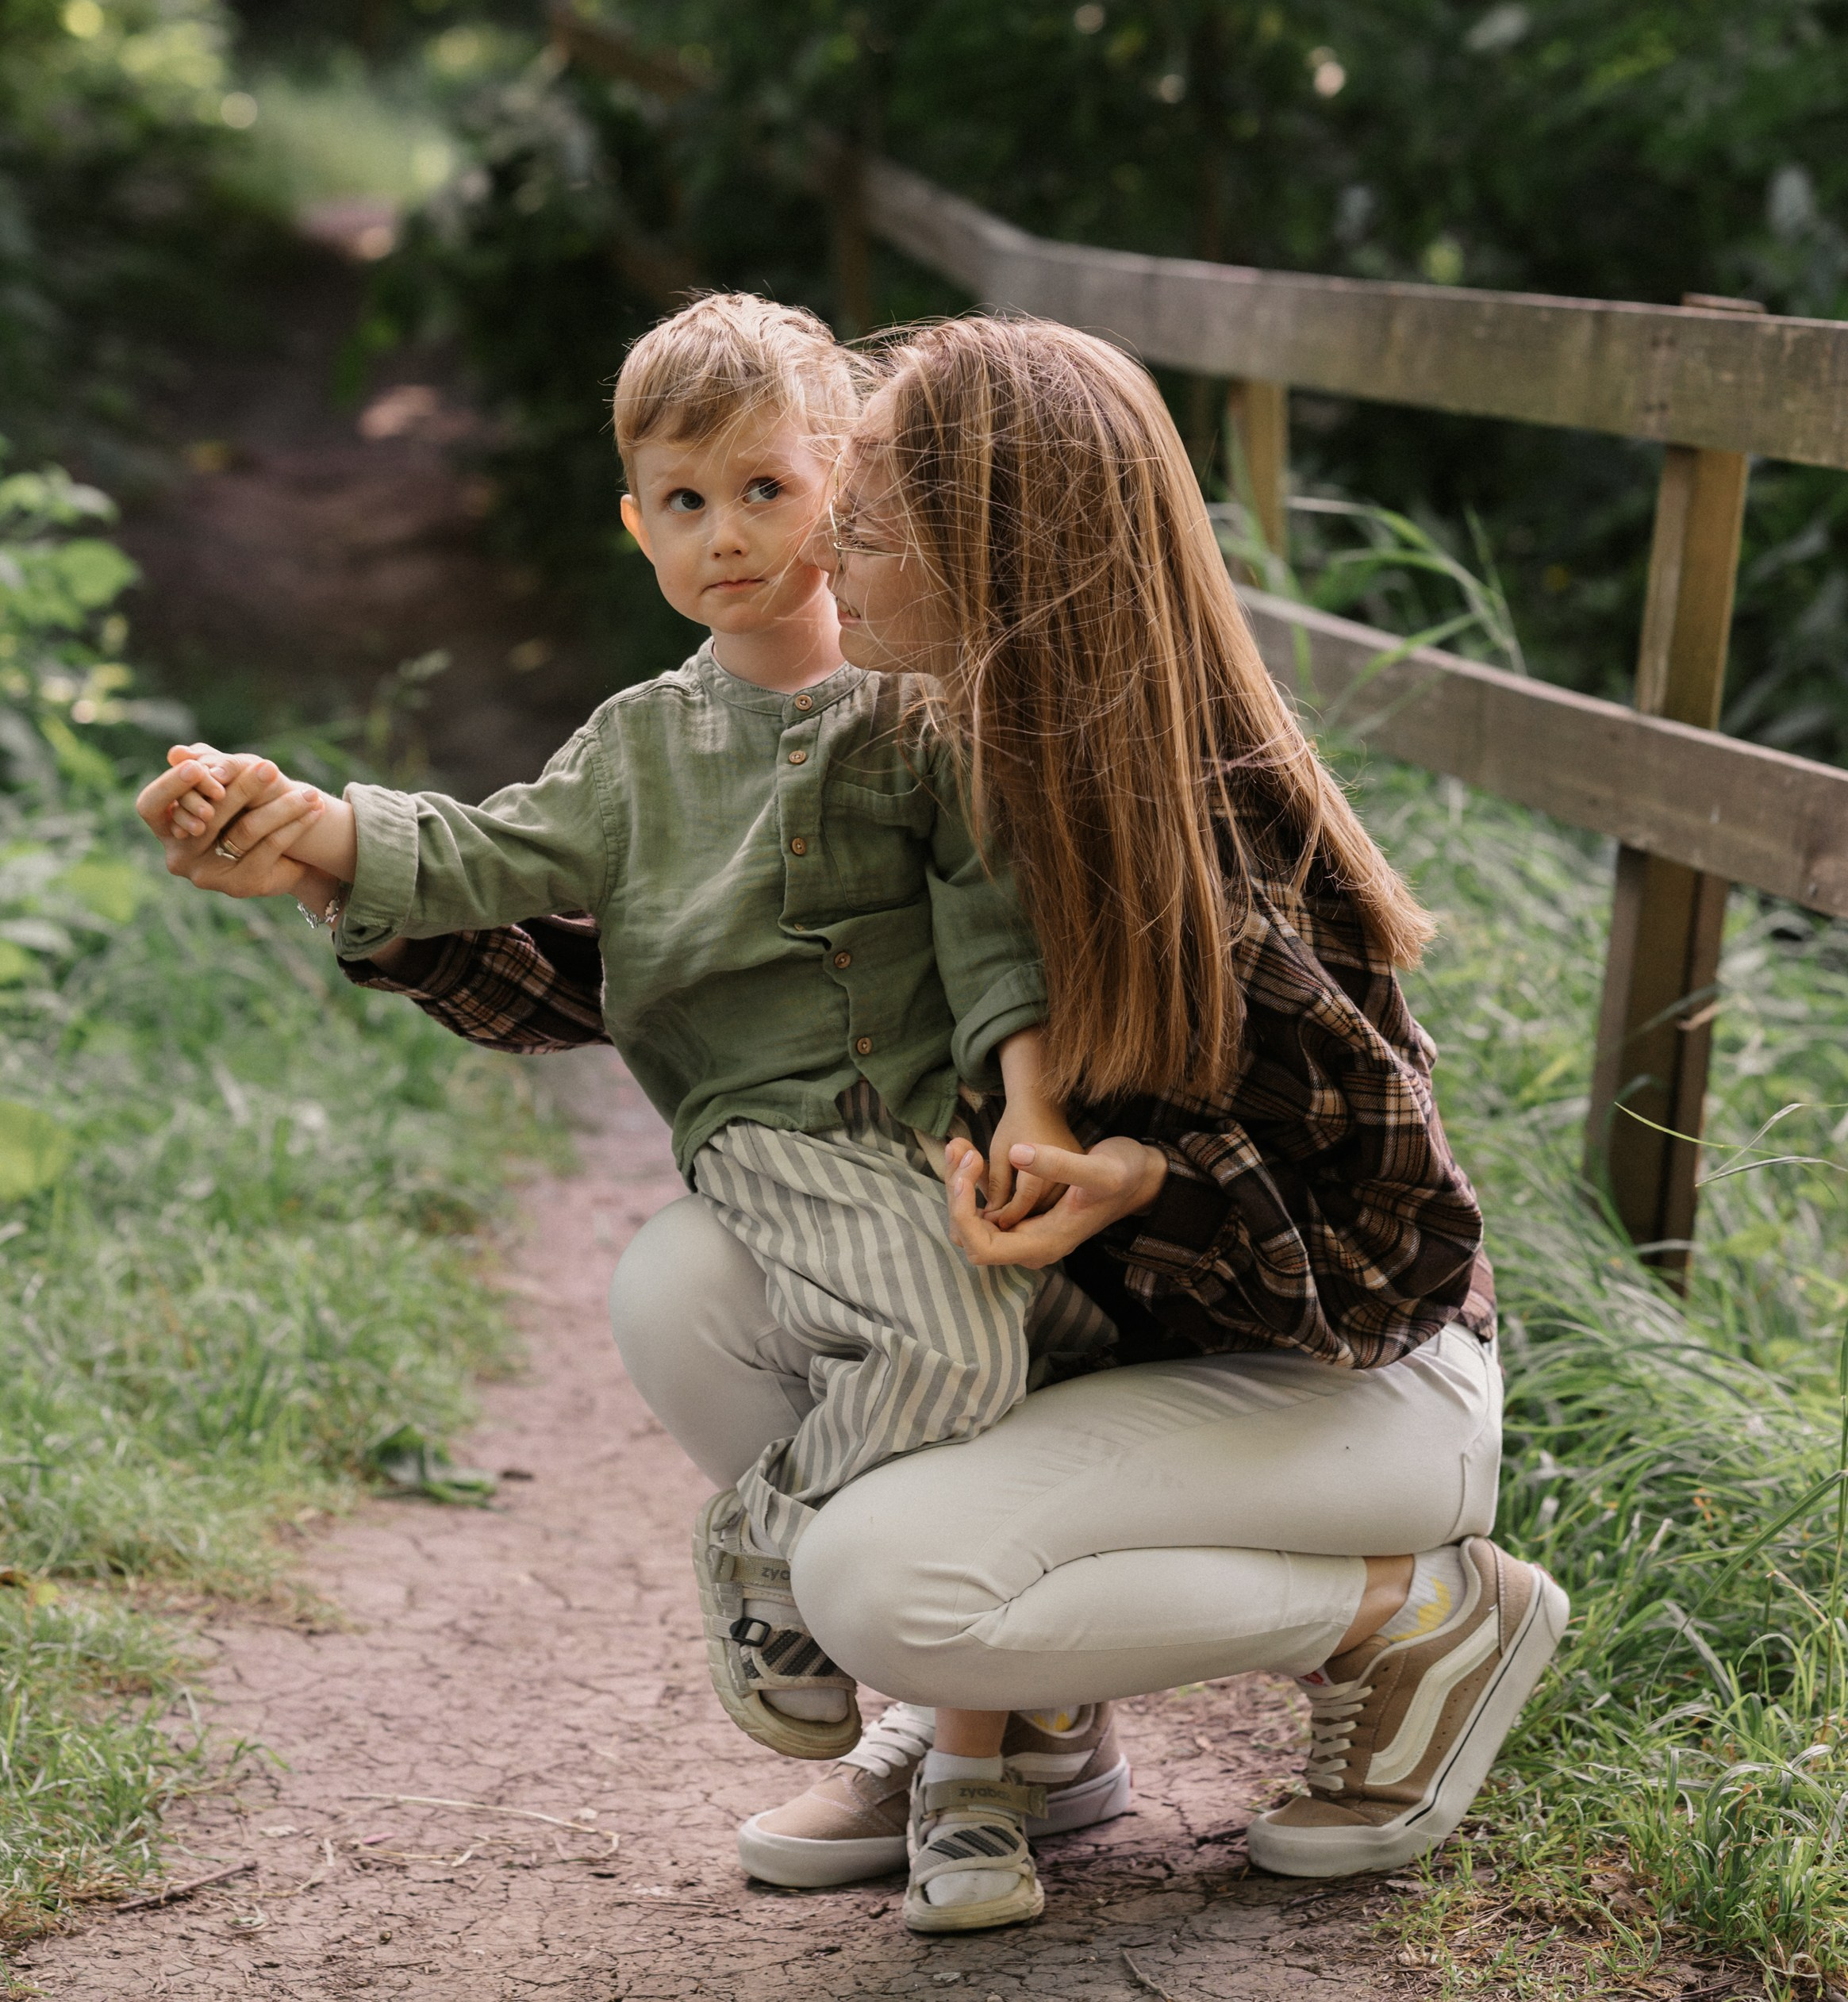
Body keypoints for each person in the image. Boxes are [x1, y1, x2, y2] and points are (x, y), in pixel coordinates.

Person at [248, 312, 1569, 1931]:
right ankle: (1026, 1729)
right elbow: (657, 956)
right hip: (1148, 1348)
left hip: (1352, 1388)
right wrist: (332, 853)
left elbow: (1396, 1256)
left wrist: (1141, 1182)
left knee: (874, 1575)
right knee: (689, 1281)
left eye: (863, 520)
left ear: (998, 558)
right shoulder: (929, 747)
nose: (817, 550)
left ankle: (1414, 1609)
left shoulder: (1193, 822)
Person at [135, 293, 1129, 1934]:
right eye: (683, 501)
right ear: (633, 524)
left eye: (766, 489)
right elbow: (474, 857)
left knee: (1022, 1363)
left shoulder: (924, 712)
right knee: (955, 1353)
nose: (724, 535)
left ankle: (979, 1764)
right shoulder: (638, 750)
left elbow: (990, 924)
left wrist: (1030, 1104)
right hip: (777, 1135)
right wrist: (310, 823)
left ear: (848, 498)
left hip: (935, 1132)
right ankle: (768, 1540)